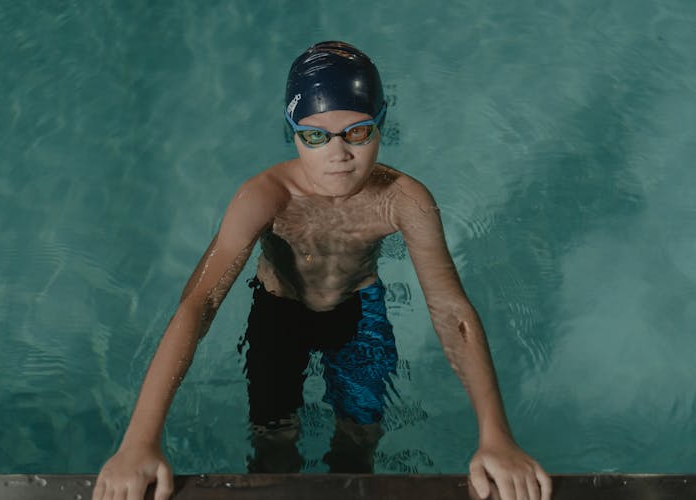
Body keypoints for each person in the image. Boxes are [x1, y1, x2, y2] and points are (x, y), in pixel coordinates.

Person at [93, 41, 552, 500]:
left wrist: (496, 436)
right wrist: (139, 441)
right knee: (273, 444)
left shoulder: (404, 200)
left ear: (381, 125)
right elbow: (201, 302)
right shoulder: (265, 196)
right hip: (279, 314)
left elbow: (451, 310)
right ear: (292, 132)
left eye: (356, 132)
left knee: (360, 442)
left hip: (359, 313)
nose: (338, 154)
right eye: (316, 136)